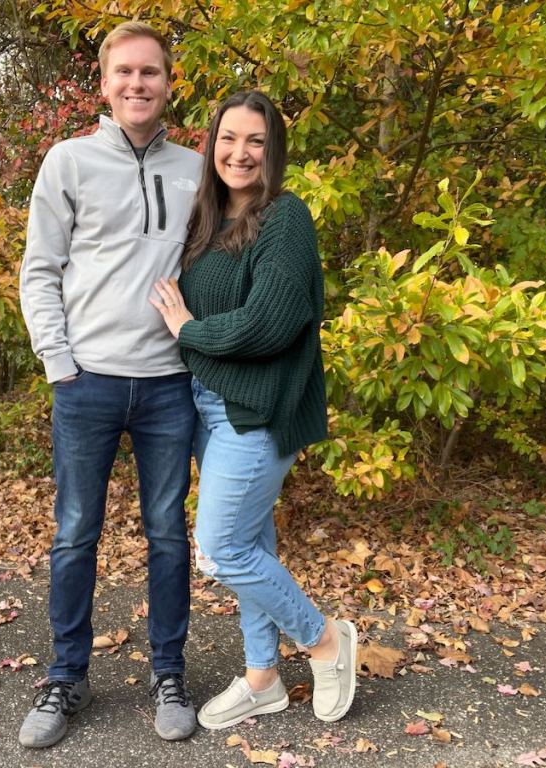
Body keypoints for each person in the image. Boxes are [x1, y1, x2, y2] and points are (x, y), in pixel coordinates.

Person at [17, 21, 203, 748]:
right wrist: (59, 362)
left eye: (150, 72)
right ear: (103, 83)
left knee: (166, 534)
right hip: (87, 381)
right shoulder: (67, 162)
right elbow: (39, 269)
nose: (137, 84)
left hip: (168, 386)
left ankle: (169, 672)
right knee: (74, 535)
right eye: (123, 72)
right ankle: (65, 676)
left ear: (168, 82)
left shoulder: (195, 168)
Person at [150, 91, 358, 730]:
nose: (240, 153)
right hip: (208, 405)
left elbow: (269, 323)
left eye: (256, 142)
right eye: (229, 139)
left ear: (275, 152)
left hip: (259, 411)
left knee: (218, 549)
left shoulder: (285, 218)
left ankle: (324, 640)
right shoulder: (207, 221)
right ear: (212, 145)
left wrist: (187, 330)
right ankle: (262, 676)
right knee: (250, 539)